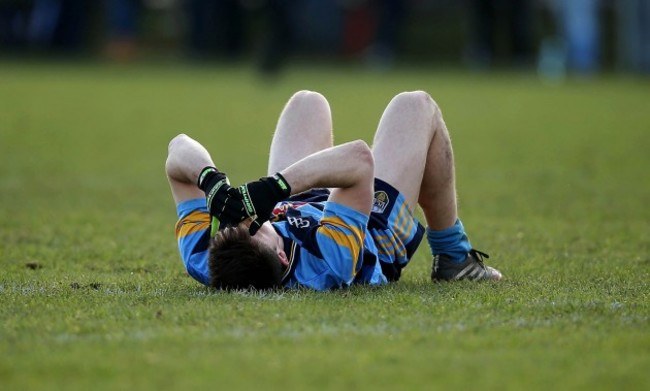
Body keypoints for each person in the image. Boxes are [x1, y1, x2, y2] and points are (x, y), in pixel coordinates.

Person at [165, 90, 502, 291]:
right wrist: (274, 187)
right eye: (254, 227)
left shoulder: (204, 256)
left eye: (229, 227)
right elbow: (357, 162)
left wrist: (210, 181)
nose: (242, 218)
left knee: (306, 103)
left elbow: (177, 149)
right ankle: (454, 257)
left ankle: (284, 198)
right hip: (372, 229)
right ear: (282, 256)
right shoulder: (329, 260)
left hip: (303, 206)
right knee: (416, 106)